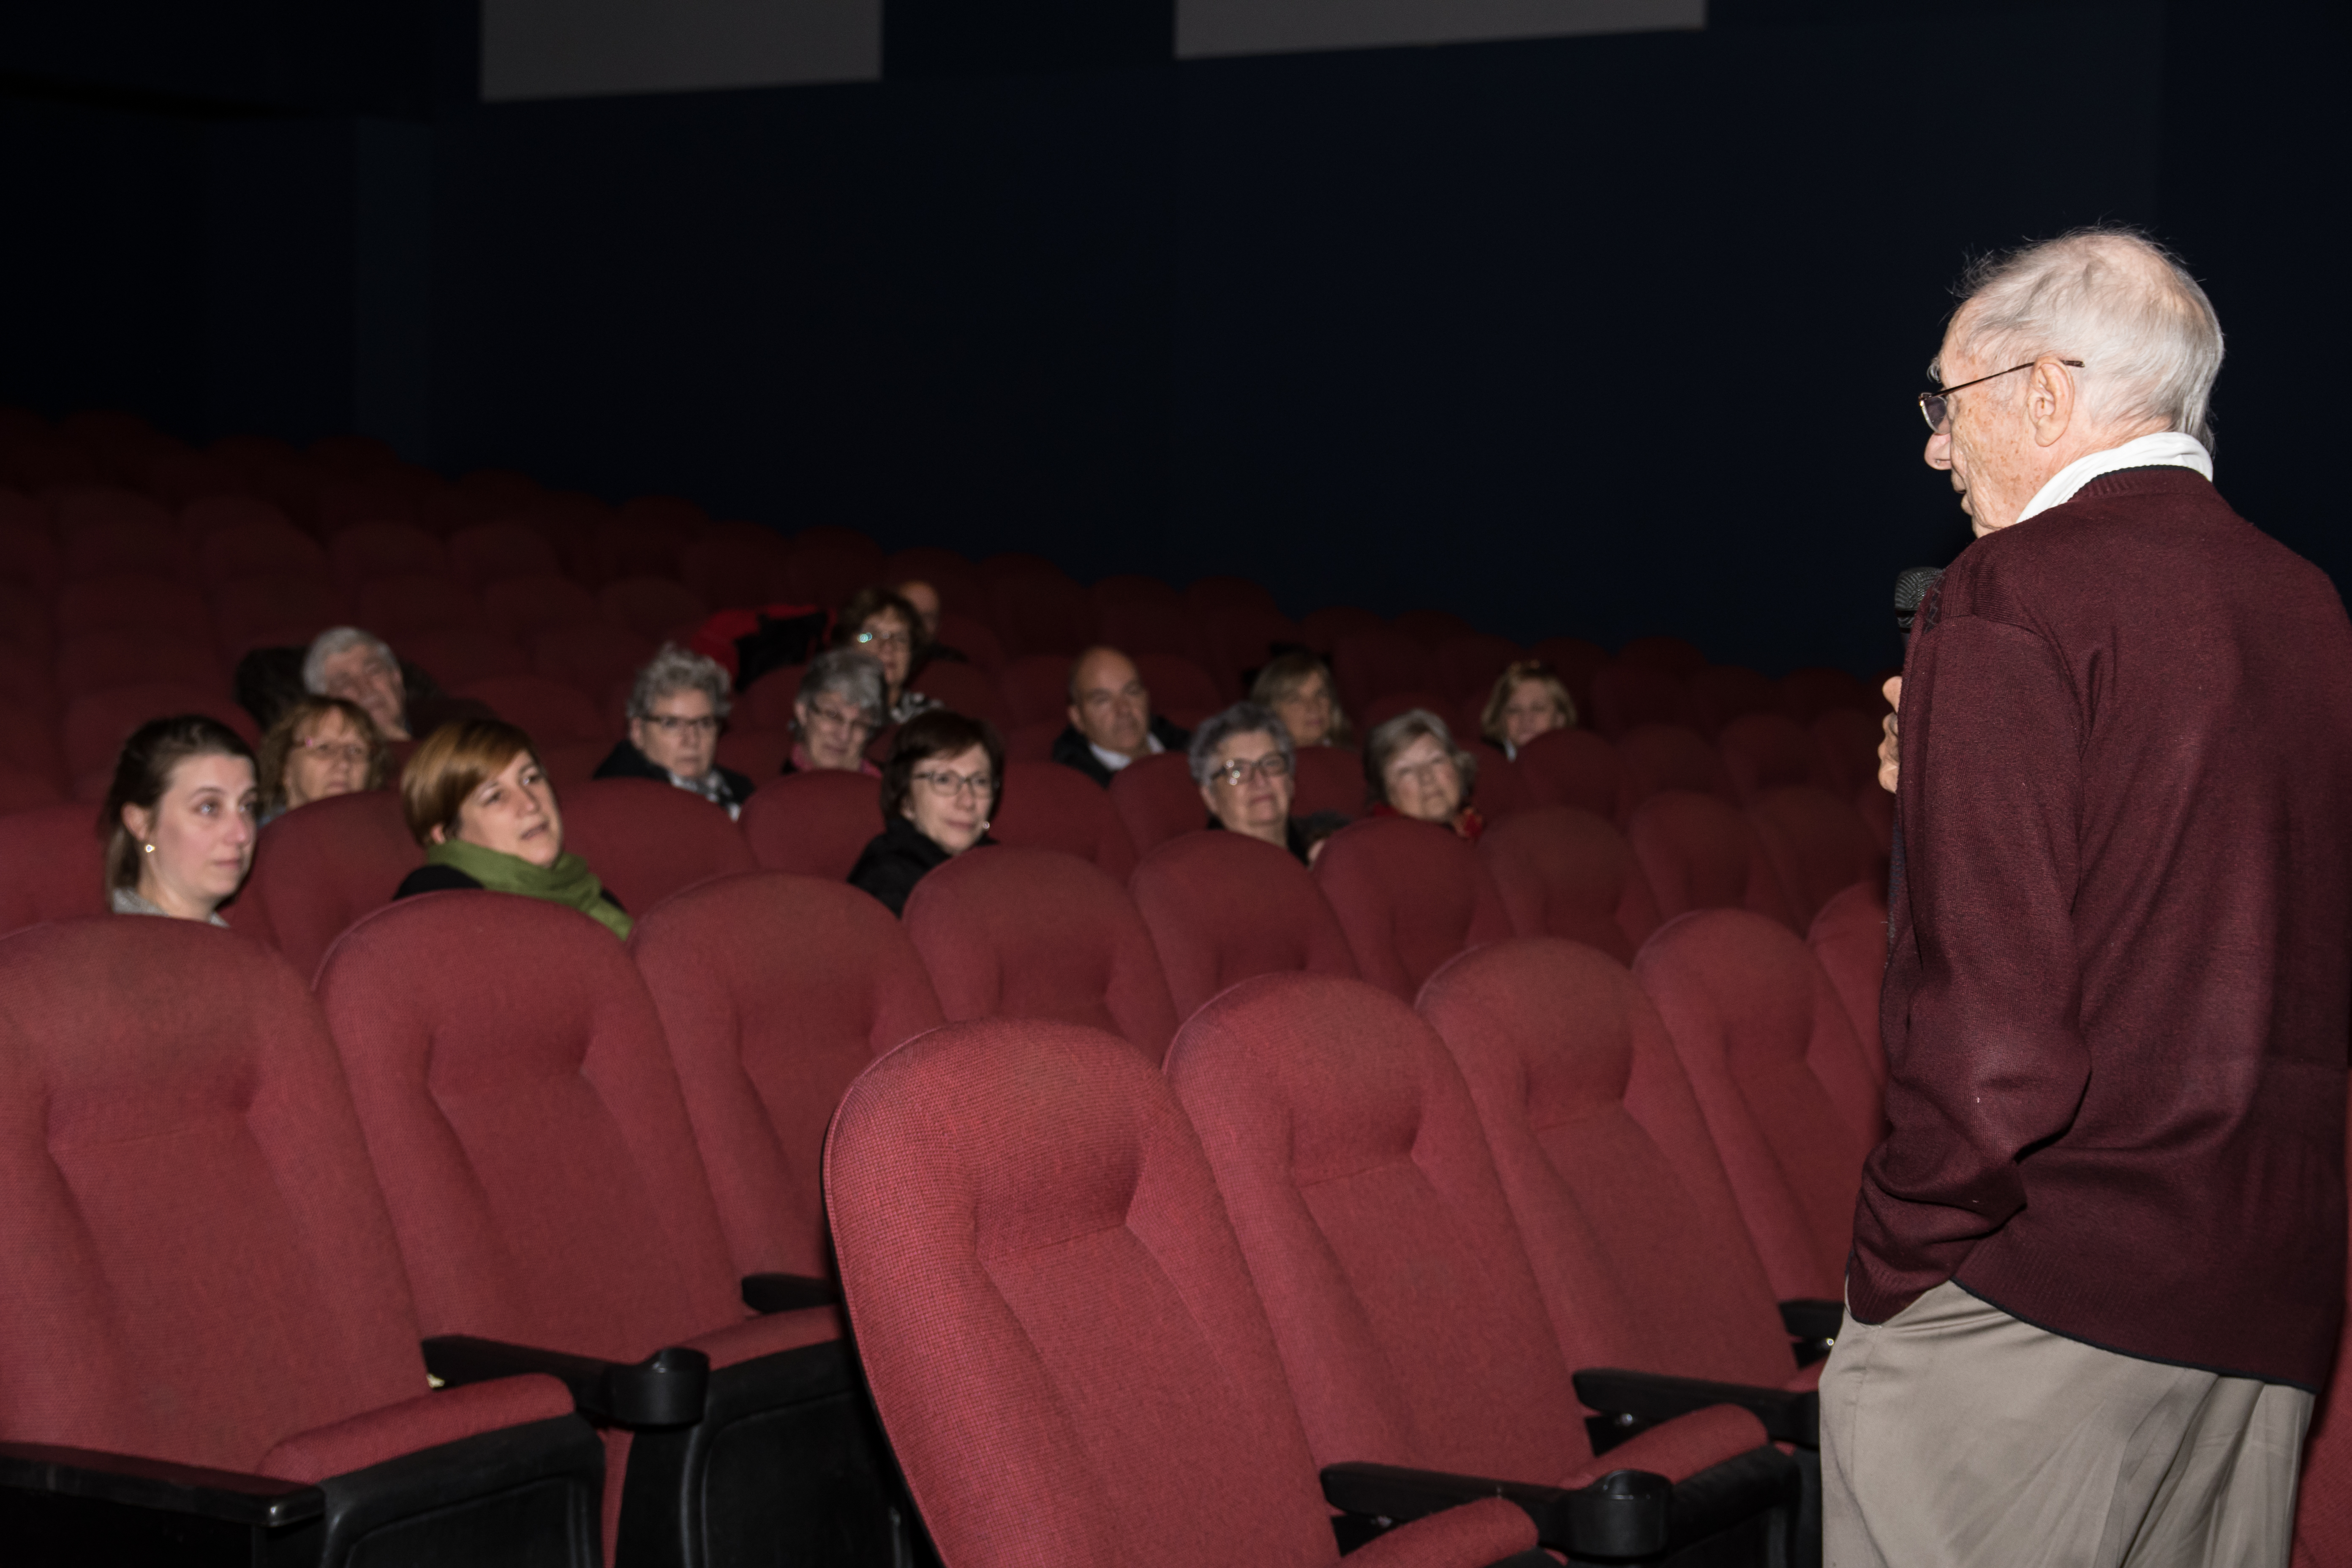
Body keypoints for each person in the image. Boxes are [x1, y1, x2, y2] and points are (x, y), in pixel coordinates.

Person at [1821, 227, 2352, 1568]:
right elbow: (2190, 894)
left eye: (1946, 402)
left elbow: (1994, 1044)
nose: (1933, 450)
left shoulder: (2011, 592)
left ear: (2044, 395)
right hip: (2261, 1279)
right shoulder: (2304, 605)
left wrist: (1894, 1260)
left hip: (2047, 1279)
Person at [393, 718, 630, 939]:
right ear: (446, 835)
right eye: (495, 797)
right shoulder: (435, 906)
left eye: (531, 779)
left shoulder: (590, 893)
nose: (530, 804)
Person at [101, 714, 259, 926]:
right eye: (208, 807)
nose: (242, 834)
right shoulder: (112, 953)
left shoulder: (238, 947)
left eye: (247, 806)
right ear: (141, 823)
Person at [847, 709, 1002, 916]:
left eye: (980, 782)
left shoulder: (1002, 866)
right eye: (944, 780)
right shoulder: (884, 881)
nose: (968, 802)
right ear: (906, 800)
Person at [593, 644, 755, 818]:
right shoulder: (618, 798)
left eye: (704, 724)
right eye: (672, 724)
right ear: (638, 731)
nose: (692, 740)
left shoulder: (741, 790)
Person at [302, 626, 486, 743]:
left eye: (374, 671)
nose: (365, 688)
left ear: (397, 678)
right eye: (345, 683)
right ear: (325, 705)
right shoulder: (330, 775)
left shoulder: (462, 723)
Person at [1188, 701, 1318, 865]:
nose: (1261, 781)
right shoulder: (1201, 875)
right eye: (1238, 770)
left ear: (1290, 781)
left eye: (1271, 763)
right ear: (1210, 797)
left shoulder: (1326, 850)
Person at [1052, 646, 1190, 787]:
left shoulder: (1195, 751)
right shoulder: (1079, 790)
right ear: (1078, 718)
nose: (1124, 709)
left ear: (1147, 698)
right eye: (1103, 700)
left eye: (1132, 692)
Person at [255, 695, 386, 823]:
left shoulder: (388, 835)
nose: (344, 763)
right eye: (324, 748)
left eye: (356, 750)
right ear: (285, 766)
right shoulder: (253, 840)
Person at [1363, 708, 1482, 841]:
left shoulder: (1483, 829)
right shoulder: (1382, 848)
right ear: (1385, 791)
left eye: (1436, 761)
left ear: (1458, 767)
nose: (1427, 778)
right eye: (1406, 771)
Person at [833, 586, 938, 724]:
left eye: (900, 638)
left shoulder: (931, 721)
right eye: (872, 635)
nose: (888, 647)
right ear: (848, 645)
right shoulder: (824, 711)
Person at [785, 650, 887, 776]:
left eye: (860, 723)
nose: (844, 736)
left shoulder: (881, 789)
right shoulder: (769, 784)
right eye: (833, 715)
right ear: (803, 712)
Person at [1249, 649, 1352, 749]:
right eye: (1296, 699)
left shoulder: (1353, 759)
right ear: (1270, 711)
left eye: (1321, 694)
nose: (1314, 707)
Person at [1479, 661, 1576, 759]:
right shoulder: (1484, 764)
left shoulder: (1579, 763)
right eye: (1514, 710)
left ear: (1561, 718)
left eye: (1538, 709)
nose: (1526, 718)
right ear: (1499, 719)